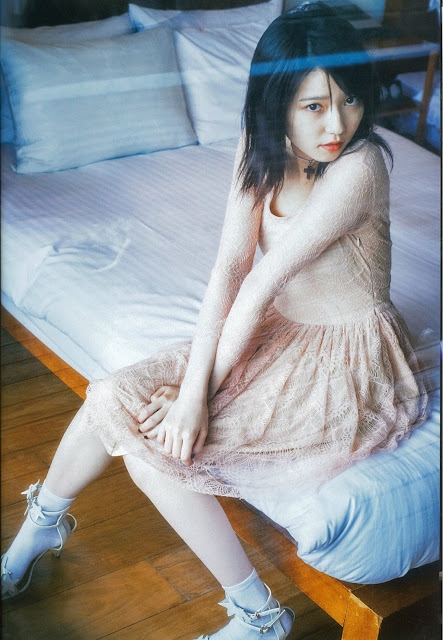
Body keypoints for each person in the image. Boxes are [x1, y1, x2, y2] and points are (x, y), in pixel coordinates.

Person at [1, 3, 429, 639]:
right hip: (279, 333)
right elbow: (229, 269)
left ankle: (259, 616)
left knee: (157, 454)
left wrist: (195, 398)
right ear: (276, 103)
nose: (337, 123)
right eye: (314, 105)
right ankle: (39, 528)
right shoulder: (258, 149)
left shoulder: (359, 166)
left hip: (347, 361)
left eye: (349, 100)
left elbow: (259, 283)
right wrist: (189, 390)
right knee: (114, 394)